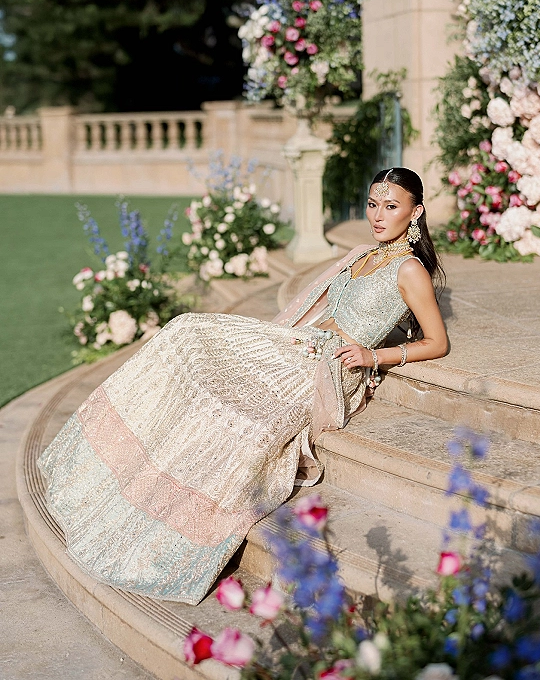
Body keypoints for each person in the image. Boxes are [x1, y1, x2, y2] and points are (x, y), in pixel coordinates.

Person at [39, 167, 447, 605]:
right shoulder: (366, 253)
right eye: (372, 204)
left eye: (391, 206)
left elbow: (437, 342)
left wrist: (375, 356)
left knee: (235, 408)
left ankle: (171, 536)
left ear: (415, 211)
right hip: (299, 343)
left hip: (326, 365)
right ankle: (100, 482)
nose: (378, 215)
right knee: (185, 332)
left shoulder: (408, 270)